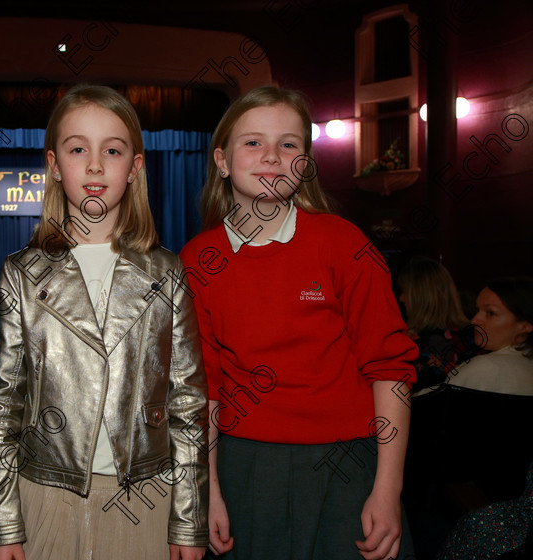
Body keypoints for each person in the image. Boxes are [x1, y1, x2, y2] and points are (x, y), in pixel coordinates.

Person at [180, 86, 418, 560]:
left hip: (349, 464)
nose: (271, 156)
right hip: (245, 466)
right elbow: (201, 387)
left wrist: (387, 489)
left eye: (288, 144)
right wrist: (207, 491)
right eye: (253, 143)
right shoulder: (197, 259)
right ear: (222, 161)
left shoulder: (342, 242)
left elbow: (390, 368)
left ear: (305, 162)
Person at [0, 84, 208, 560]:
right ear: (55, 165)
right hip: (44, 497)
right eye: (78, 149)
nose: (96, 165)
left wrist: (188, 521)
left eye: (113, 150)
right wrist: (2, 525)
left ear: (136, 167)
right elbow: (1, 410)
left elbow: (188, 405)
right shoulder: (21, 274)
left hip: (145, 498)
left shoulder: (166, 272)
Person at [397, 257, 478, 391]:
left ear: (421, 296)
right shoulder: (471, 336)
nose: (401, 299)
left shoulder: (410, 343)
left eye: (405, 292)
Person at [442, 277, 533, 395]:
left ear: (525, 326)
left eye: (490, 313)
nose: (474, 320)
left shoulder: (485, 368)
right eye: (477, 310)